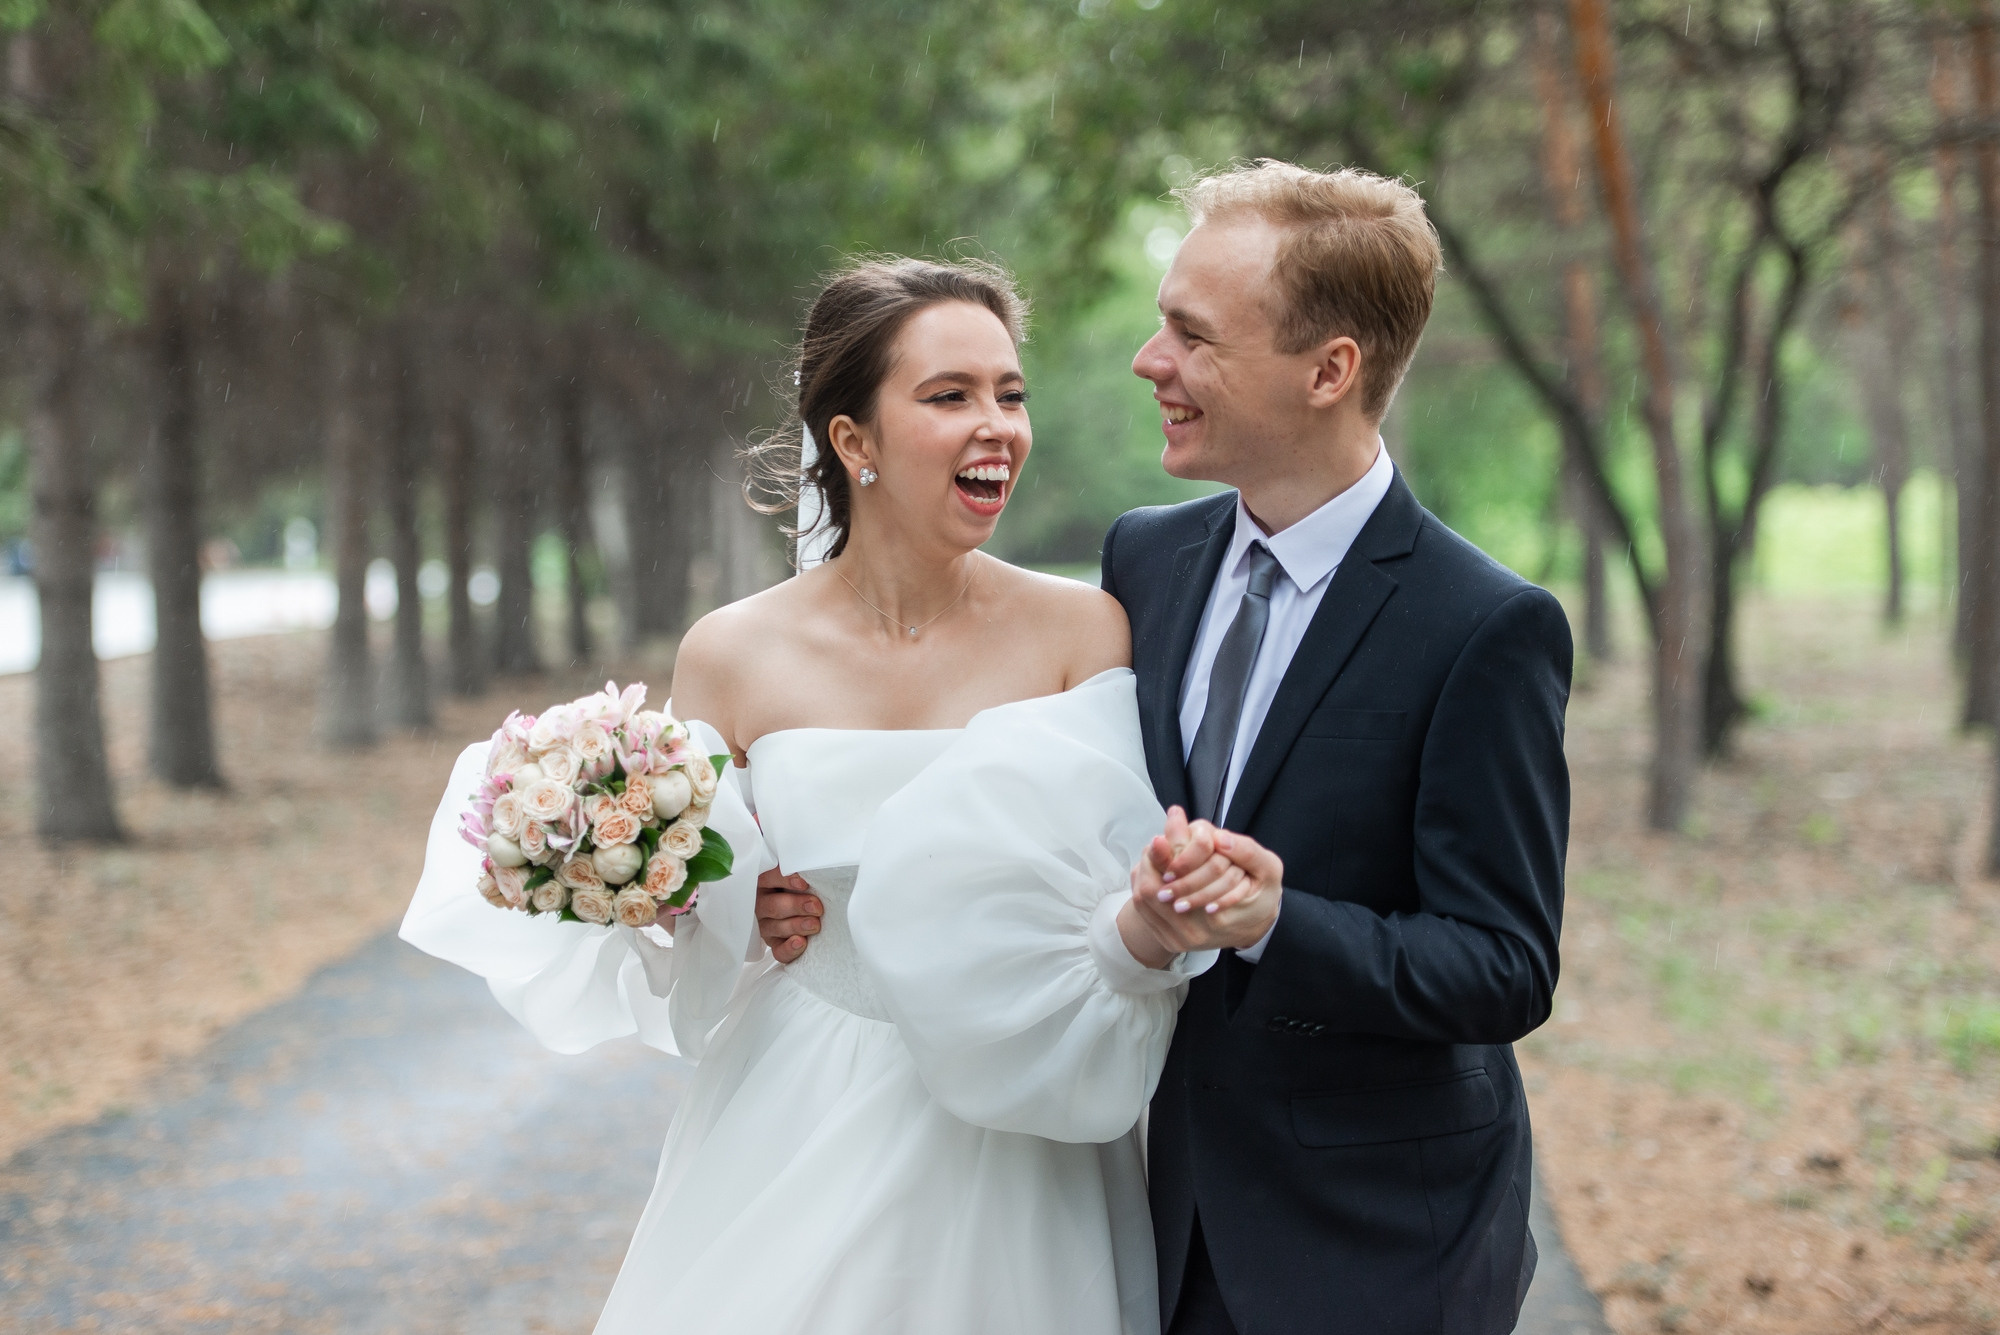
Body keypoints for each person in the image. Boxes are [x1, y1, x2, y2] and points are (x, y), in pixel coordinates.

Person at [765, 162, 1574, 1335]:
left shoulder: (1482, 627)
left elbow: (1503, 966)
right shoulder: (1145, 563)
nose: (1150, 362)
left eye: (1192, 337)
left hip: (1379, 1237)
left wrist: (1275, 922)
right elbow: (1038, 827)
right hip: (1158, 1206)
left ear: (1328, 370)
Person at [403, 256, 1254, 1334]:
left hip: (1017, 1120)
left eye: (1009, 392)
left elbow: (1109, 881)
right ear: (852, 442)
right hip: (797, 1094)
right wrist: (723, 902)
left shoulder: (1081, 633)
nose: (996, 425)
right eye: (949, 397)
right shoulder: (732, 655)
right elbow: (692, 907)